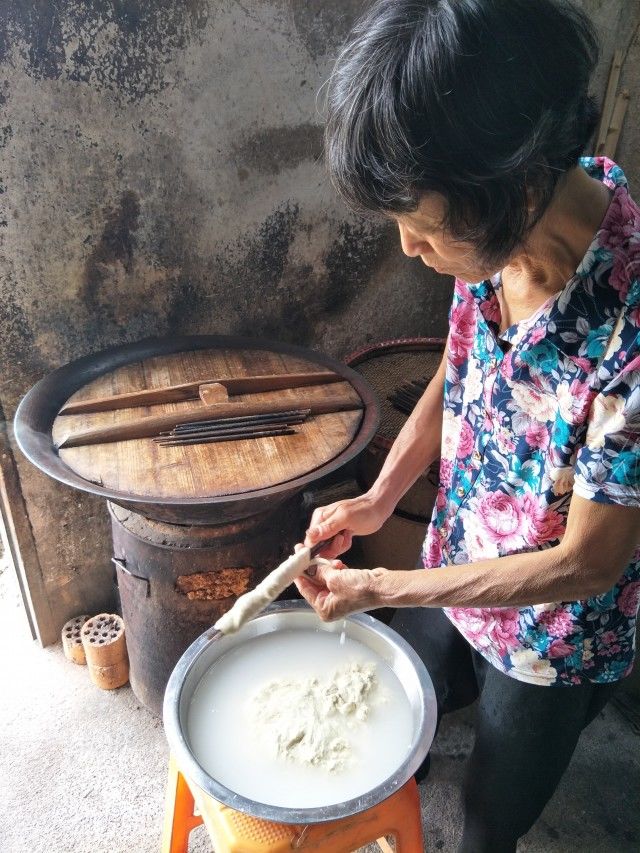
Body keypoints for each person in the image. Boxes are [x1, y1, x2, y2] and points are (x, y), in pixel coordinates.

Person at [294, 1, 640, 850]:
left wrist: (383, 587)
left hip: (550, 632)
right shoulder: (501, 227)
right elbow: (465, 362)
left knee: (487, 819)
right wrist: (380, 499)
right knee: (399, 706)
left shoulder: (630, 336)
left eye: (421, 225)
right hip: (458, 553)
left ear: (517, 186)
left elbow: (587, 560)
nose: (409, 249)